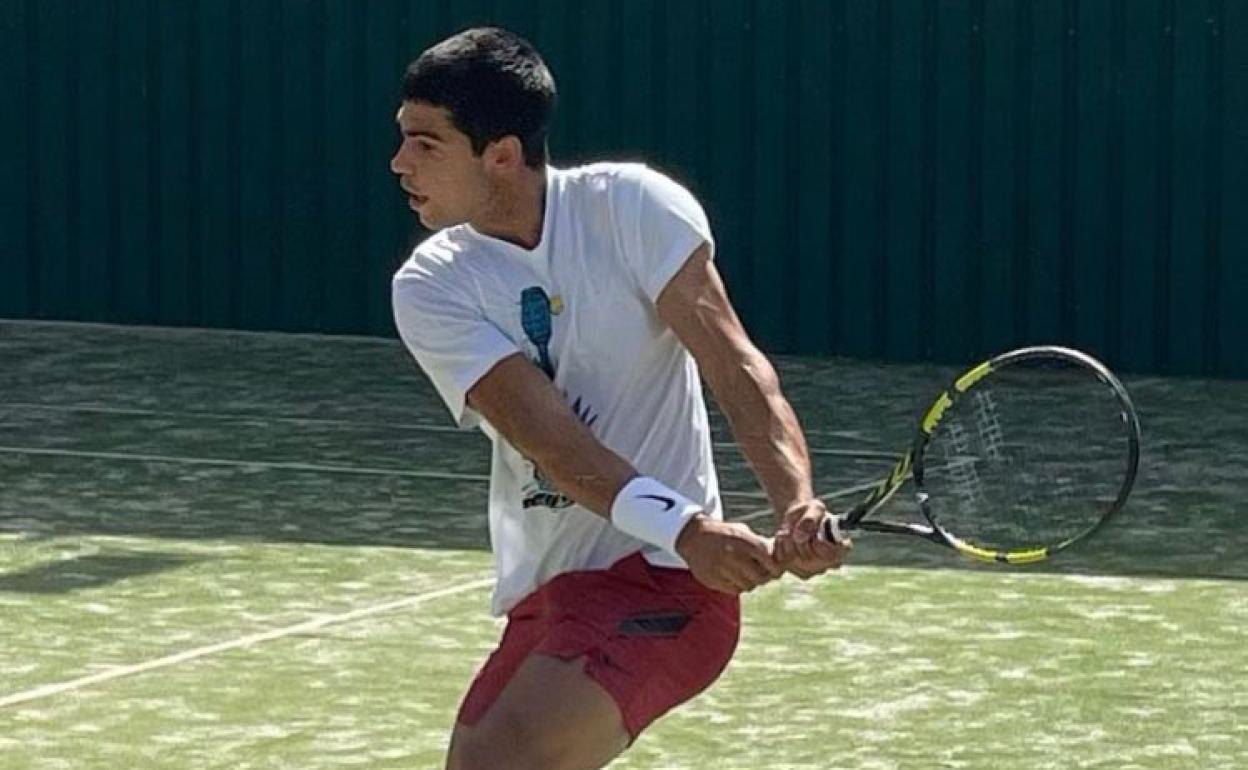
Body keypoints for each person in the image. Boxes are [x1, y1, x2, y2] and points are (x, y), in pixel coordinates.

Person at [389, 26, 849, 770]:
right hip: (557, 590)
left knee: (502, 762)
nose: (400, 163)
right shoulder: (431, 285)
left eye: (426, 144)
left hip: (667, 586)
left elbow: (734, 366)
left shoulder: (633, 208)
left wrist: (795, 501)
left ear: (501, 155)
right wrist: (692, 528)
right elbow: (552, 441)